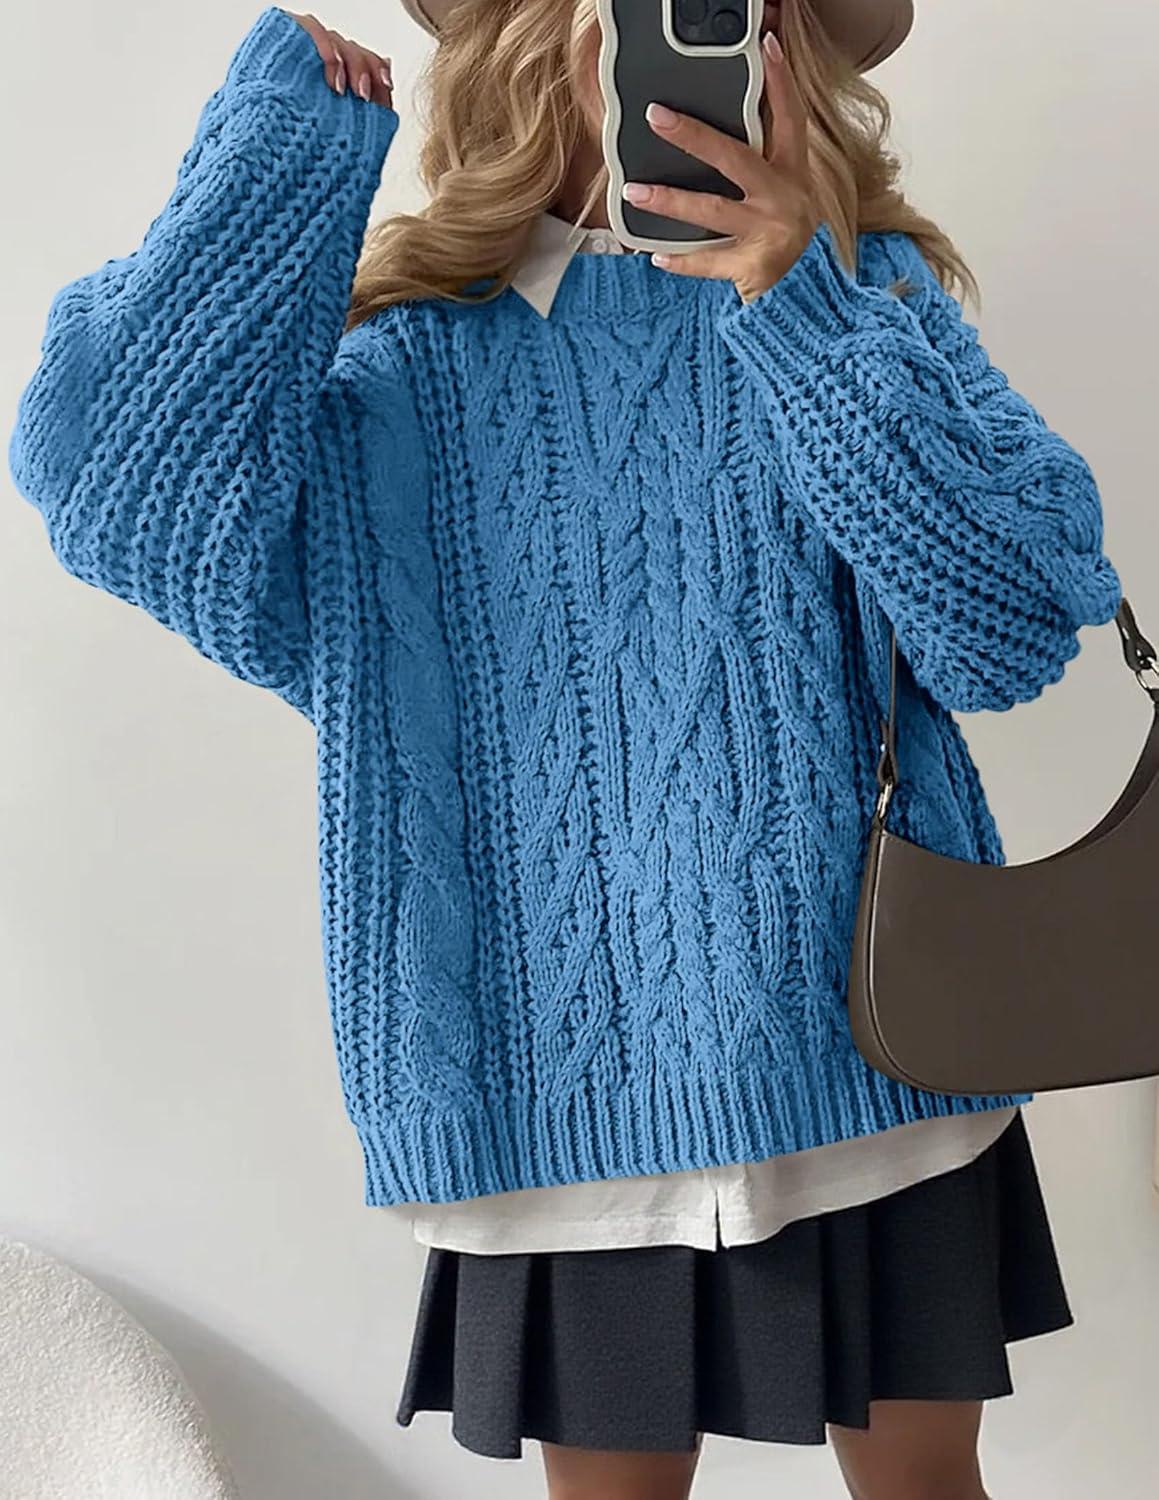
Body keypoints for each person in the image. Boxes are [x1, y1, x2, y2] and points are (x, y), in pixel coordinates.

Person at [7, 2, 1120, 1496]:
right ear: (539, 36)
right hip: (553, 1098)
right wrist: (285, 148)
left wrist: (808, 302)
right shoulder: (401, 380)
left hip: (877, 1058)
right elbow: (114, 484)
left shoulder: (859, 301)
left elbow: (1014, 626)